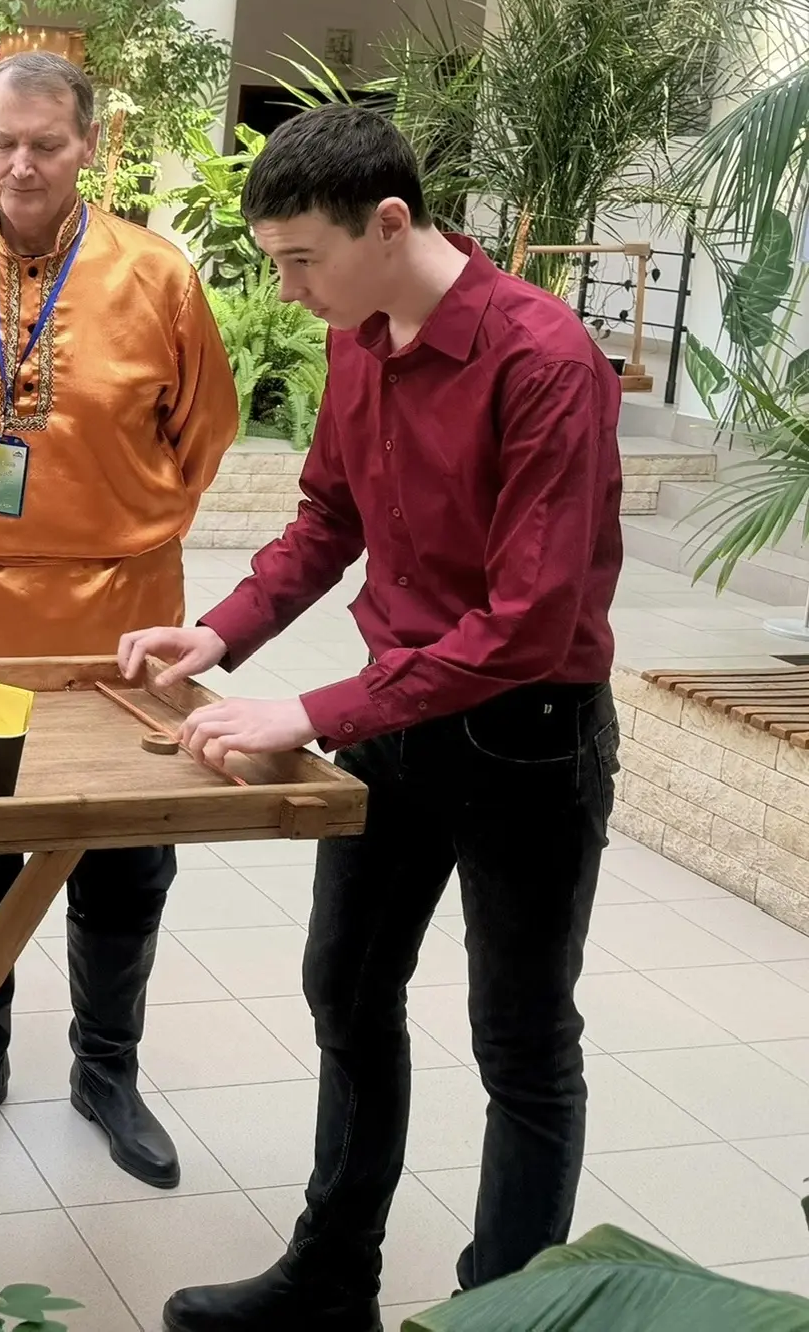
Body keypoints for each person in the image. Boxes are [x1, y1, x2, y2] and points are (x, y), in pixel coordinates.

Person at [122, 104, 623, 1332]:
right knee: (345, 989)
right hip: (396, 715)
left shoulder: (544, 361)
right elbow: (327, 520)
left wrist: (305, 708)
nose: (290, 291)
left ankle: (499, 1314)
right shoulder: (362, 339)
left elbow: (527, 623)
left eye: (304, 260)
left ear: (390, 223)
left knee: (520, 1040)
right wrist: (223, 632)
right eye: (277, 263)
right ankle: (331, 1277)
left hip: (527, 735)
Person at [0, 51, 237, 1186]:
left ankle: (107, 1070)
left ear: (90, 145)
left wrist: (116, 525)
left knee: (124, 853)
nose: (22, 164)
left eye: (46, 143)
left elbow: (204, 435)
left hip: (119, 625)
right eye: (4, 143)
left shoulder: (158, 276)